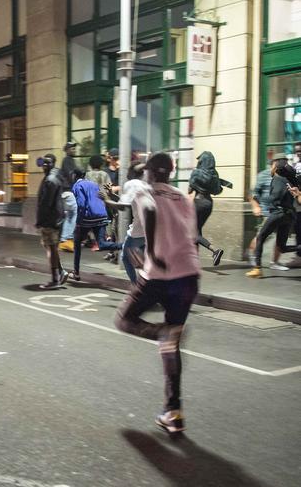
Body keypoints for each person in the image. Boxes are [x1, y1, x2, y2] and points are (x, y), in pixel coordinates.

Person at [114, 152, 200, 434]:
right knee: (172, 342)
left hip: (160, 274)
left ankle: (160, 332)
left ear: (149, 173)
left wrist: (151, 251)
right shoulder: (182, 198)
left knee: (125, 320)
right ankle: (173, 412)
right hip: (188, 274)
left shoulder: (143, 189)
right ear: (171, 173)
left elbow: (149, 210)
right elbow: (191, 234)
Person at [246, 155, 301, 278]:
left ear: (276, 167)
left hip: (278, 213)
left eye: (273, 165)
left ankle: (257, 269)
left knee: (260, 237)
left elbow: (275, 196)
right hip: (290, 215)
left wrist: (259, 199)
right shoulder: (289, 179)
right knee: (282, 247)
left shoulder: (277, 178)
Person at [98, 160, 149, 283]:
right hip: (150, 231)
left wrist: (105, 199)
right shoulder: (145, 184)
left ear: (132, 172)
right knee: (144, 262)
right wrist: (111, 195)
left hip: (137, 231)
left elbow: (121, 207)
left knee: (125, 258)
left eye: (128, 170)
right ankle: (149, 289)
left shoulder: (132, 183)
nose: (126, 173)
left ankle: (137, 287)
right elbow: (127, 202)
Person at [70, 166, 123, 282]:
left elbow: (82, 204)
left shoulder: (77, 186)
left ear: (74, 176)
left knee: (77, 242)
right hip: (101, 215)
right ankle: (123, 246)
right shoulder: (93, 184)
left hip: (88, 217)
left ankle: (76, 272)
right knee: (102, 244)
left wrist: (79, 222)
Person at [188, 151, 232, 266]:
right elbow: (218, 191)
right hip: (209, 204)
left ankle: (215, 250)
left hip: (197, 202)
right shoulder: (214, 175)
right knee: (197, 231)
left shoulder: (196, 173)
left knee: (193, 233)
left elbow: (189, 190)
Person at [35, 154, 68, 289]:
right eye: (43, 162)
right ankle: (60, 272)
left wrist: (40, 220)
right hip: (56, 217)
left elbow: (45, 204)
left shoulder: (50, 180)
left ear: (53, 164)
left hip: (50, 219)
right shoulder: (56, 176)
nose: (44, 165)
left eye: (47, 163)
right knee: (51, 247)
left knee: (51, 248)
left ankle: (55, 278)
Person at [248, 158, 276, 266]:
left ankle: (274, 262)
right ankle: (251, 255)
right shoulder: (263, 175)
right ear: (273, 163)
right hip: (266, 211)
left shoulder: (283, 175)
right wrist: (255, 206)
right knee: (262, 236)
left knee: (279, 237)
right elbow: (252, 193)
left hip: (278, 211)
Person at [58, 142, 78, 253]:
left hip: (67, 192)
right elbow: (71, 175)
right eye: (72, 148)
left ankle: (64, 240)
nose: (74, 150)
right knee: (76, 212)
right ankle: (68, 238)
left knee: (70, 215)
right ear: (66, 150)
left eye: (74, 148)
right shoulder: (67, 160)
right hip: (68, 191)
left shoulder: (69, 160)